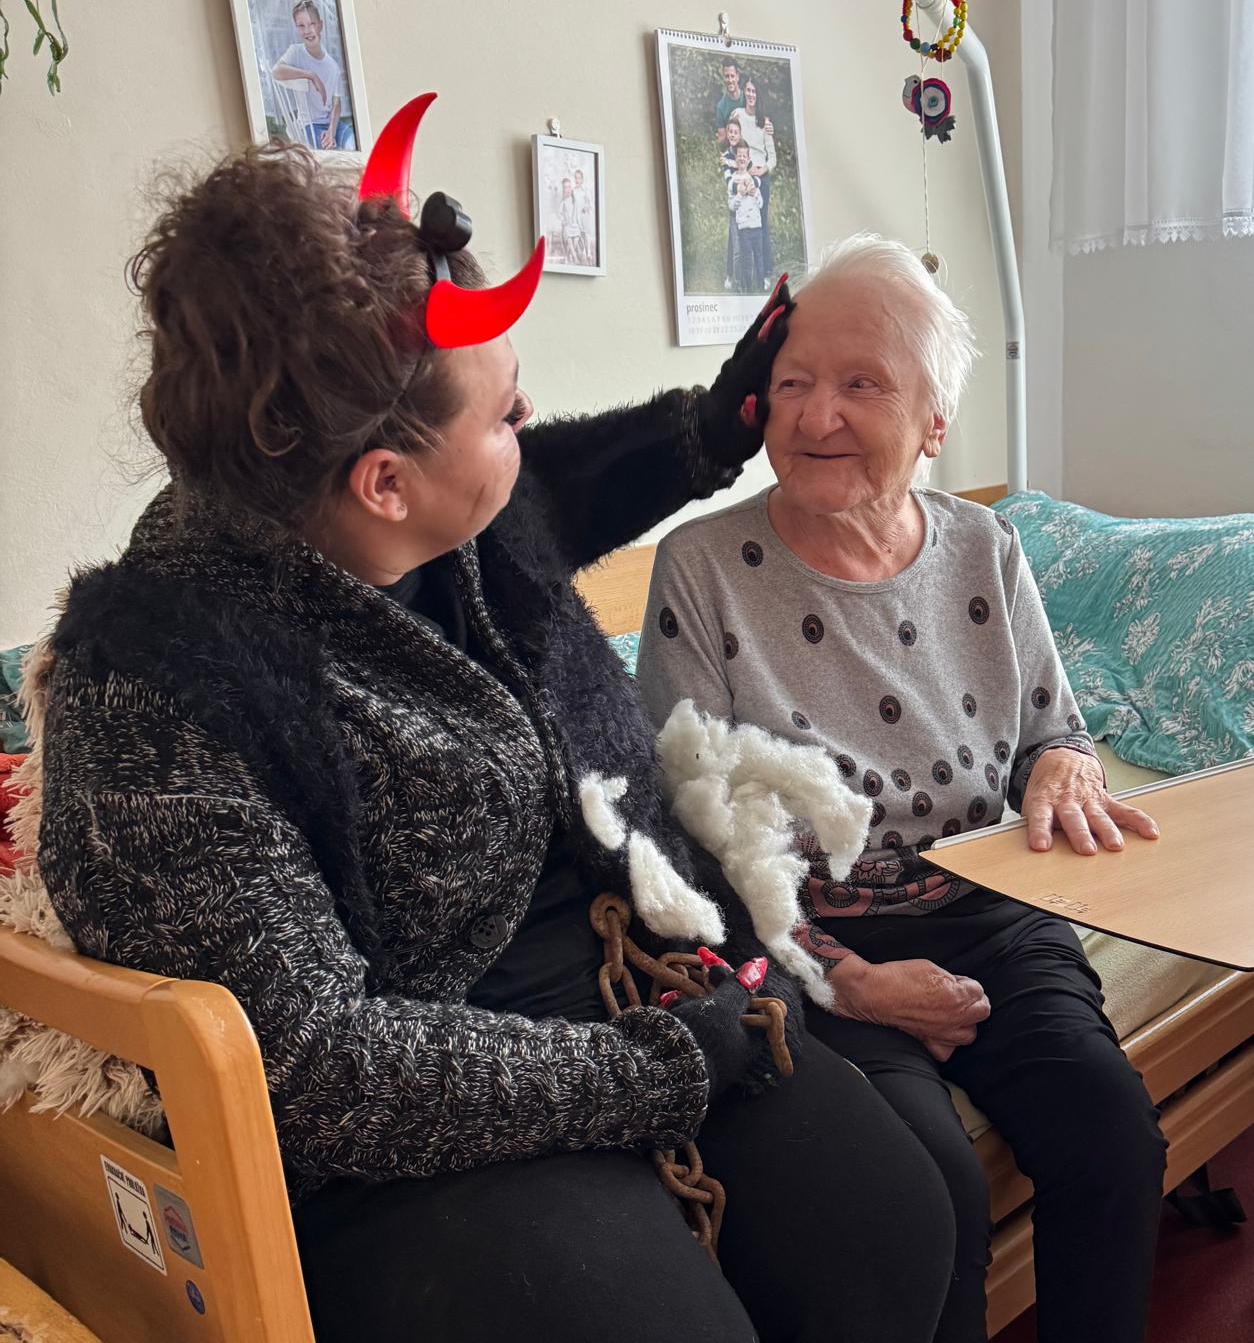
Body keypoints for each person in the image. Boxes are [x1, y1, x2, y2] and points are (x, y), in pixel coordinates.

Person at [29, 110, 956, 1343]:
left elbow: (558, 482)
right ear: (385, 483)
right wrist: (655, 1072)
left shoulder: (428, 511)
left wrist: (712, 424)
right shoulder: (154, 689)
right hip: (412, 1116)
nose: (528, 428)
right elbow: (316, 1066)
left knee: (893, 1223)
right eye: (506, 415)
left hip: (628, 978)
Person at [637, 233, 1168, 1343]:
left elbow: (1052, 731)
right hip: (813, 940)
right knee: (935, 1189)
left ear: (934, 422)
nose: (816, 415)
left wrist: (1063, 763)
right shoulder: (703, 568)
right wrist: (855, 985)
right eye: (793, 383)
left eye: (861, 384)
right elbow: (691, 851)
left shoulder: (986, 547)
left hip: (995, 909)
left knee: (1112, 1133)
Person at [271, 0, 355, 151]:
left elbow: (336, 104)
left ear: (320, 25)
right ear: (297, 28)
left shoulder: (332, 66)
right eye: (301, 26)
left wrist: (331, 131)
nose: (307, 30)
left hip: (332, 124)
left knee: (354, 144)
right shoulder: (296, 52)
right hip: (309, 125)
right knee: (331, 152)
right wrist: (311, 75)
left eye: (312, 24)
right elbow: (276, 72)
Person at [730, 73, 777, 283]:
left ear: (758, 95)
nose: (751, 94)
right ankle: (735, 273)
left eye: (754, 91)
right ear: (744, 92)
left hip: (761, 178)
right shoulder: (738, 115)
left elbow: (772, 157)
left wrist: (764, 169)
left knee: (761, 223)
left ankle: (765, 272)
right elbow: (732, 140)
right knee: (738, 222)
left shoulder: (764, 123)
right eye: (748, 90)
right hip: (743, 174)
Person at [727, 142, 765, 291]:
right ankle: (748, 289)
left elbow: (761, 204)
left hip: (757, 226)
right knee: (747, 259)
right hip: (743, 228)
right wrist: (740, 194)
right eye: (739, 155)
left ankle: (761, 287)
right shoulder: (732, 181)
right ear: (736, 158)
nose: (742, 158)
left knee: (759, 257)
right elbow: (731, 205)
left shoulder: (754, 180)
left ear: (749, 159)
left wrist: (755, 194)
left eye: (745, 156)